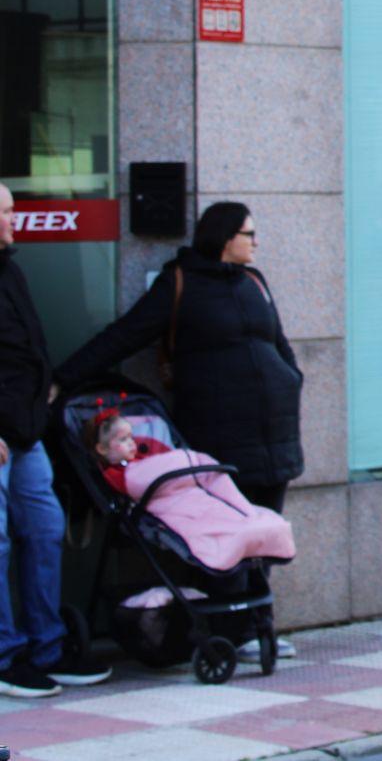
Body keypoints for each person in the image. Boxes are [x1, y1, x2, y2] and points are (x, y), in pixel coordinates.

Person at [57, 202, 304, 663]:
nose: (256, 242)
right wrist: (63, 380)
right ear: (224, 237)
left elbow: (280, 344)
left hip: (276, 430)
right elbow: (123, 336)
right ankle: (230, 632)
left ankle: (254, 624)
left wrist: (290, 379)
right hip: (219, 432)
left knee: (260, 530)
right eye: (248, 233)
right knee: (221, 531)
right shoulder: (180, 284)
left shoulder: (255, 282)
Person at [0, 184, 111, 696]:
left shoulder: (10, 268)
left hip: (27, 432)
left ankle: (47, 646)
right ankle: (6, 654)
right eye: (4, 213)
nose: (13, 221)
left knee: (44, 531)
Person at [86, 409, 296, 571]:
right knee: (203, 524)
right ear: (102, 449)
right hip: (164, 500)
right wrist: (184, 460)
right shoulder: (120, 475)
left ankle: (248, 519)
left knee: (227, 504)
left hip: (190, 491)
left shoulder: (142, 460)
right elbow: (141, 480)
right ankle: (240, 532)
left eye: (131, 437)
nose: (132, 444)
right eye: (123, 440)